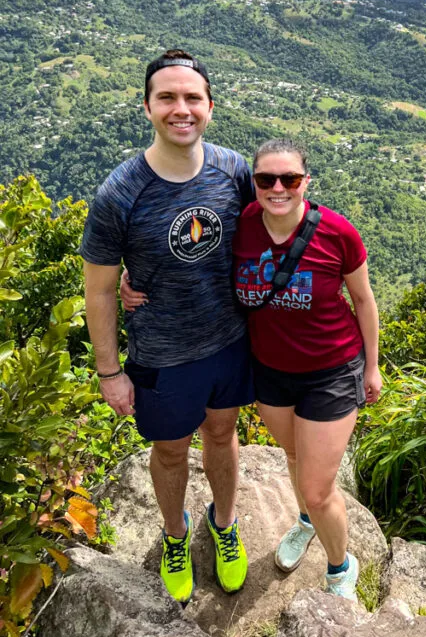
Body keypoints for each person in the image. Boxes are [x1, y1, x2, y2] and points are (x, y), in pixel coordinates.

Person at [81, 49, 254, 604]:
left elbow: (272, 235)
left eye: (192, 98)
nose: (181, 109)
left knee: (223, 436)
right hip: (161, 354)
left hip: (229, 342)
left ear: (210, 106)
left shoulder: (234, 171)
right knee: (172, 450)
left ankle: (223, 525)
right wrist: (110, 372)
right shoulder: (120, 193)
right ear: (149, 106)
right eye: (168, 98)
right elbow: (100, 289)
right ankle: (175, 535)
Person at [232, 138, 382, 601]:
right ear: (254, 184)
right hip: (271, 369)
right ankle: (304, 522)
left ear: (305, 183)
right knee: (295, 459)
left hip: (332, 370)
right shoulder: (242, 227)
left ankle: (340, 568)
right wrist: (133, 277)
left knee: (317, 489)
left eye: (289, 179)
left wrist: (372, 368)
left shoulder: (337, 232)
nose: (278, 188)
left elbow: (363, 300)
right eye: (266, 179)